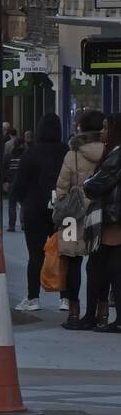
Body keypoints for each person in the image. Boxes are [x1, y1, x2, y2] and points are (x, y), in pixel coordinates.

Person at [53, 109, 107, 329]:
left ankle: (73, 311)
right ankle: (101, 313)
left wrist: (58, 208)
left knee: (71, 261)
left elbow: (62, 188)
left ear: (82, 128)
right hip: (101, 213)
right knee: (100, 263)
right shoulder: (109, 151)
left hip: (71, 216)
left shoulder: (72, 153)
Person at [10, 114, 68, 313]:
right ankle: (66, 297)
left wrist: (22, 201)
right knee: (64, 253)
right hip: (62, 210)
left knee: (35, 255)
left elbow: (19, 185)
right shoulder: (65, 152)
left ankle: (33, 297)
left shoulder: (31, 152)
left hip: (34, 209)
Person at [81, 112, 121, 332]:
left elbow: (97, 184)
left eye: (106, 128)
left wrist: (87, 182)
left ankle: (92, 316)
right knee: (103, 267)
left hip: (112, 218)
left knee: (101, 267)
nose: (102, 132)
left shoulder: (116, 154)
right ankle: (94, 315)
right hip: (110, 217)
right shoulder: (112, 152)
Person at [3, 132, 26, 232]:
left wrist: (5, 181)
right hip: (23, 183)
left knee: (12, 204)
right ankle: (23, 223)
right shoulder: (26, 156)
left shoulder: (8, 156)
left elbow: (4, 170)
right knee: (23, 204)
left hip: (12, 183)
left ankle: (12, 225)